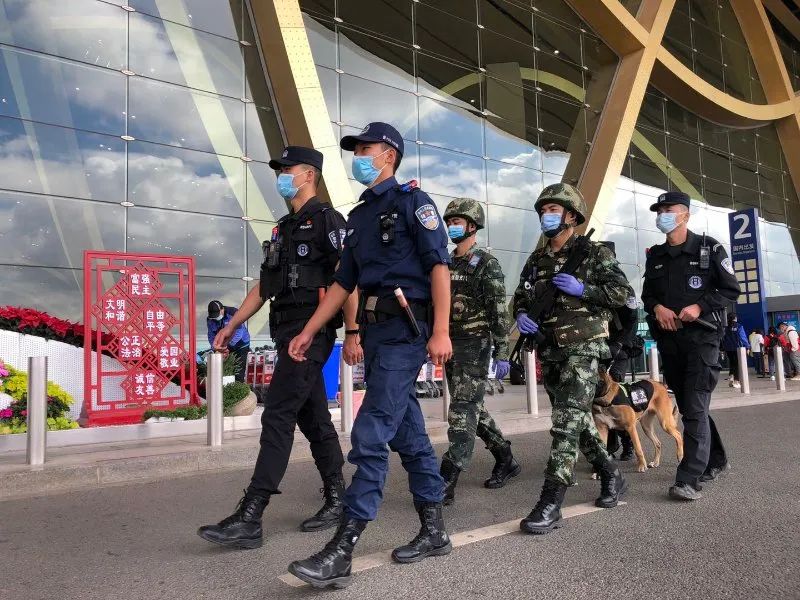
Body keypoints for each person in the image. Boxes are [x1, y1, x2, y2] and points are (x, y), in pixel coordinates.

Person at [285, 122, 453, 589]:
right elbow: (344, 283)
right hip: (377, 336)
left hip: (406, 330)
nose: (358, 155)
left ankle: (343, 547)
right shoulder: (358, 216)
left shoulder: (414, 204)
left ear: (389, 155)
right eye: (355, 149)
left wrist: (441, 331)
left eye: (366, 148)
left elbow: (439, 267)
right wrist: (310, 329)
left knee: (372, 428)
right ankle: (435, 530)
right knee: (409, 434)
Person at [197, 146, 351, 549]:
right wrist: (231, 325)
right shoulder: (282, 229)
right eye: (279, 170)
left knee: (278, 415)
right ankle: (339, 497)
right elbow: (264, 288)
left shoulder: (328, 221)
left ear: (309, 175)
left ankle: (252, 514)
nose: (281, 176)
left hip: (310, 334)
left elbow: (348, 279)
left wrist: (353, 333)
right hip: (287, 334)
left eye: (288, 170)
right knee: (313, 418)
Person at [512, 183, 633, 535]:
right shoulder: (537, 259)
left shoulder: (594, 253)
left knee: (565, 423)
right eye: (543, 210)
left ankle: (550, 501)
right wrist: (521, 315)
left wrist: (585, 289)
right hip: (549, 349)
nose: (546, 216)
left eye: (553, 210)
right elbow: (521, 295)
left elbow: (623, 294)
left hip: (583, 347)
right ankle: (612, 475)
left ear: (571, 216)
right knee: (577, 423)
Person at [641, 191, 739, 501]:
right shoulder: (656, 256)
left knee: (694, 408)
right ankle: (716, 458)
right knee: (689, 406)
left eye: (669, 209)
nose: (662, 215)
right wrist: (656, 308)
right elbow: (648, 296)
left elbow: (730, 289)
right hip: (671, 342)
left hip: (702, 340)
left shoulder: (709, 248)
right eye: (659, 210)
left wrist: (700, 307)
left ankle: (688, 477)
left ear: (685, 214)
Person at [438, 197, 519, 506]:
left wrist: (502, 351)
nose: (451, 227)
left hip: (475, 345)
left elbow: (499, 311)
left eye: (457, 222)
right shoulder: (445, 262)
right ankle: (506, 458)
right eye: (449, 222)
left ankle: (449, 474)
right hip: (449, 344)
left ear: (472, 226)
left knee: (461, 409)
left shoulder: (486, 263)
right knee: (473, 407)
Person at [206, 300, 251, 382]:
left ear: (222, 309)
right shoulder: (210, 319)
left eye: (217, 315)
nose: (215, 318)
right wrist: (215, 347)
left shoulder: (233, 313)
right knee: (225, 370)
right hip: (224, 347)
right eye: (213, 317)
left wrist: (227, 346)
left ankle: (239, 386)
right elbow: (211, 335)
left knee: (238, 371)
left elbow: (239, 333)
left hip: (241, 345)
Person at [721, 314, 749, 388]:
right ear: (735, 318)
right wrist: (747, 346)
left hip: (728, 348)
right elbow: (742, 337)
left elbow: (722, 338)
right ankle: (736, 381)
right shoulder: (739, 326)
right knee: (737, 364)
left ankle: (731, 376)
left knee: (732, 362)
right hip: (737, 347)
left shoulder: (725, 327)